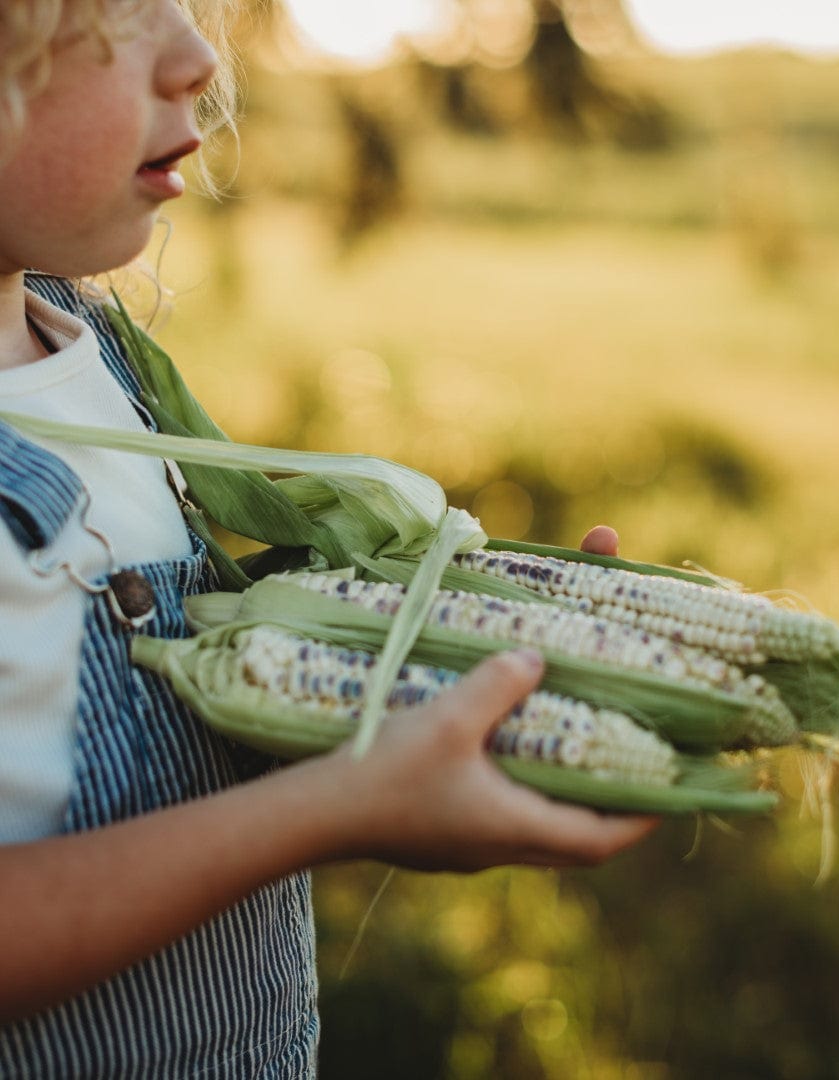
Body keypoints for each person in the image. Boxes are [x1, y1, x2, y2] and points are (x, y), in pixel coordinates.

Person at [0, 2, 656, 1074]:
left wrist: (412, 665)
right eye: (104, 16)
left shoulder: (87, 343)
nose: (197, 56)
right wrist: (334, 808)